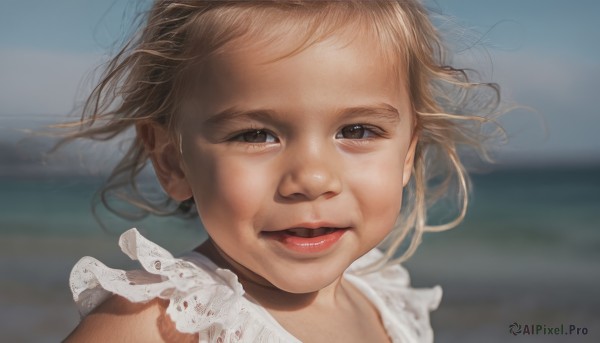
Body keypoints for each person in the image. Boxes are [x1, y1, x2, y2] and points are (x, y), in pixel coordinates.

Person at [61, 1, 503, 342]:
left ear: (408, 152)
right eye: (256, 135)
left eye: (357, 130)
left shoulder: (388, 304)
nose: (312, 179)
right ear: (171, 160)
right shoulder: (154, 326)